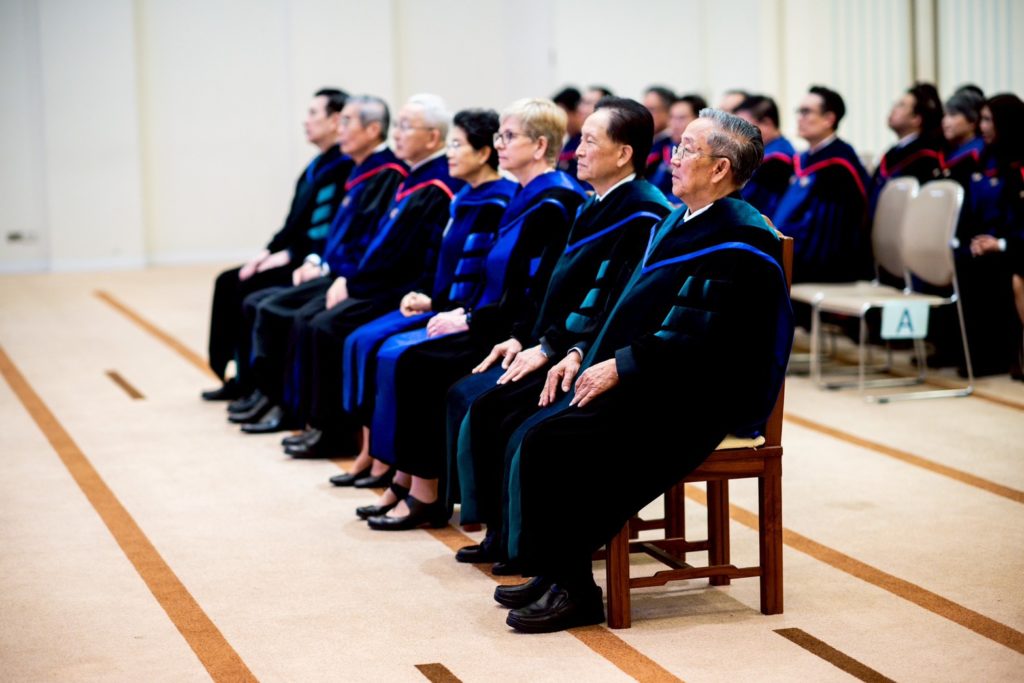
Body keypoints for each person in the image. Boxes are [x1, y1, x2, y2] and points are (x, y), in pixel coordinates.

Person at [495, 109, 793, 633]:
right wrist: (581, 350)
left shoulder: (742, 238)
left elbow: (701, 338)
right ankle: (556, 569)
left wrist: (622, 366)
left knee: (559, 441)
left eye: (686, 150)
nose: (671, 159)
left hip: (698, 395)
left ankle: (576, 591)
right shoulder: (678, 221)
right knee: (536, 423)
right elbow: (625, 307)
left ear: (720, 168)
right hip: (655, 375)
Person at [446, 97, 673, 572]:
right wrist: (524, 338)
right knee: (479, 396)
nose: (577, 151)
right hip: (562, 341)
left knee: (503, 410)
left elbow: (611, 303)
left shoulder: (643, 213)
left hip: (592, 353)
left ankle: (523, 543)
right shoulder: (594, 204)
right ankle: (501, 532)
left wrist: (558, 347)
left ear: (624, 154)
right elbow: (552, 287)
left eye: (589, 141)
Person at [358, 98, 586, 530]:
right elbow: (491, 275)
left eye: (509, 136)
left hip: (516, 332)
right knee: (406, 355)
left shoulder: (555, 202)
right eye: (499, 135)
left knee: (420, 364)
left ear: (540, 146)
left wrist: (471, 321)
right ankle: (405, 480)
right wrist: (462, 311)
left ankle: (426, 493)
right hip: (492, 321)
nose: (498, 144)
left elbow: (535, 290)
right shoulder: (525, 195)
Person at [239, 94, 461, 440]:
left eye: (405, 126)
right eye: (398, 125)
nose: (396, 134)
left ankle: (328, 427)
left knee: (320, 322)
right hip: (361, 276)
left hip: (397, 287)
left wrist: (351, 281)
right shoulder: (409, 177)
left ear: (433, 137)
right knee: (290, 310)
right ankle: (292, 408)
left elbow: (402, 255)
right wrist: (326, 265)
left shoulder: (431, 183)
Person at [302, 109, 516, 467]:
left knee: (387, 349)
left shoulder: (495, 200)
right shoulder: (462, 196)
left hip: (464, 312)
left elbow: (478, 274)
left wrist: (446, 306)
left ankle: (395, 467)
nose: (449, 153)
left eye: (456, 145)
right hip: (435, 299)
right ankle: (371, 452)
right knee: (361, 339)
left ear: (483, 153)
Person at [225, 95, 407, 431]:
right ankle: (267, 394)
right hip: (334, 270)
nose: (340, 128)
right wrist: (317, 259)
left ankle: (291, 407)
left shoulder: (387, 174)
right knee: (258, 300)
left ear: (372, 130)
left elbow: (369, 242)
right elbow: (334, 235)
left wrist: (338, 273)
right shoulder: (358, 170)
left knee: (283, 311)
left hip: (355, 277)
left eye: (347, 121)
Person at [202, 88, 351, 401]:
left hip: (314, 262)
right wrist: (267, 252)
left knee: (247, 290)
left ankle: (254, 384)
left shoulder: (343, 168)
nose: (305, 121)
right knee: (228, 280)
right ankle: (232, 373)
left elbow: (325, 231)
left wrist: (290, 255)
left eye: (313, 113)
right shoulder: (315, 167)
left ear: (335, 120)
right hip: (295, 255)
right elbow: (292, 224)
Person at [773, 85, 871, 283]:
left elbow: (827, 234)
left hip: (828, 264)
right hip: (799, 252)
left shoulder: (838, 166)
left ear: (829, 119)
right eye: (799, 111)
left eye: (806, 112)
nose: (799, 118)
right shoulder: (805, 159)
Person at [958, 94, 1024, 377]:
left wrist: (1002, 244)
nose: (982, 126)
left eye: (988, 120)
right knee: (964, 259)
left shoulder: (1019, 166)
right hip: (992, 242)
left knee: (1005, 270)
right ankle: (975, 353)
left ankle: (1006, 354)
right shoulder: (984, 159)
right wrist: (976, 240)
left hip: (1015, 245)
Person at [869, 83, 943, 210]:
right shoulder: (893, 152)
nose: (893, 109)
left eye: (901, 105)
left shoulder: (924, 158)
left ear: (916, 119)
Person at [735, 94, 795, 218]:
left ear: (767, 123)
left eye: (744, 127)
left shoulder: (778, 161)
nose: (737, 133)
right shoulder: (762, 152)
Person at [937, 87, 986, 188]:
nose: (945, 121)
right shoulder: (947, 150)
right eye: (945, 115)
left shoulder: (981, 153)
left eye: (953, 115)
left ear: (973, 120)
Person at [642, 86, 677, 199]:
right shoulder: (644, 141)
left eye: (651, 109)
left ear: (668, 112)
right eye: (644, 109)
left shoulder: (673, 146)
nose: (645, 114)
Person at [553, 86, 584, 179]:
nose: (557, 120)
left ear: (576, 112)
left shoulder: (581, 142)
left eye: (561, 114)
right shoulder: (568, 141)